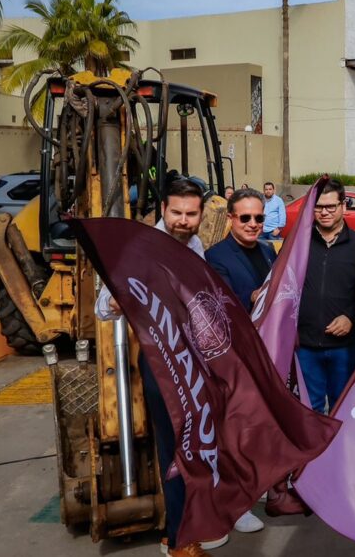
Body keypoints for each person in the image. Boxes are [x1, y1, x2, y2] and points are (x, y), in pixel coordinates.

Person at [95, 179, 261, 556]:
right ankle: (177, 539)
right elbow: (102, 308)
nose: (183, 221)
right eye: (176, 213)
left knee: (200, 442)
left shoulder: (195, 245)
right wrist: (117, 301)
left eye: (191, 214)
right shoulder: (139, 248)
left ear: (202, 214)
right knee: (175, 448)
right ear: (163, 211)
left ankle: (198, 520)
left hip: (195, 360)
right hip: (161, 362)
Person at [296, 180, 355, 413]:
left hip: (343, 348)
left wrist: (351, 317)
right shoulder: (298, 243)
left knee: (342, 408)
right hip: (305, 346)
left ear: (343, 206)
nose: (324, 212)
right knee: (310, 410)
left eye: (330, 206)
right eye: (318, 207)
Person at [206, 189, 278, 311]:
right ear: (230, 218)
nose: (253, 224)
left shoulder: (268, 251)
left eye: (259, 218)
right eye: (245, 218)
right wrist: (252, 297)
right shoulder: (215, 256)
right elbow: (222, 304)